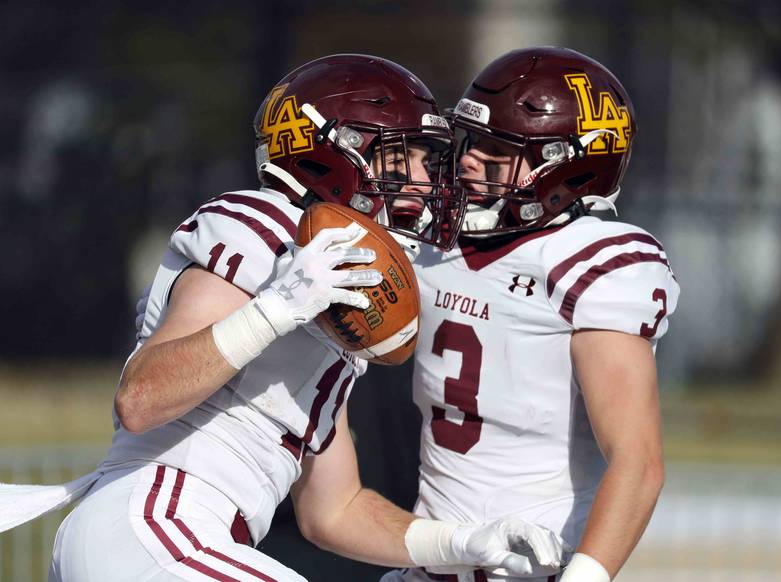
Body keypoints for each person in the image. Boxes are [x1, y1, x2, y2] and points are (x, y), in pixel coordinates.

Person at [0, 54, 566, 581]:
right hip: (154, 521)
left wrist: (463, 542)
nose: (421, 179)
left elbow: (334, 510)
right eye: (402, 156)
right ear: (334, 153)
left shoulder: (333, 289)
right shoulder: (267, 228)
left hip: (188, 540)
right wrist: (277, 306)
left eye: (424, 160)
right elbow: (142, 398)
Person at [382, 47, 680, 582]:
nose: (468, 159)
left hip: (535, 569)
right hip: (431, 561)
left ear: (568, 168)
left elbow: (637, 462)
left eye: (496, 149)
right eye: (469, 141)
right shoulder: (431, 242)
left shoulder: (591, 260)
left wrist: (586, 576)